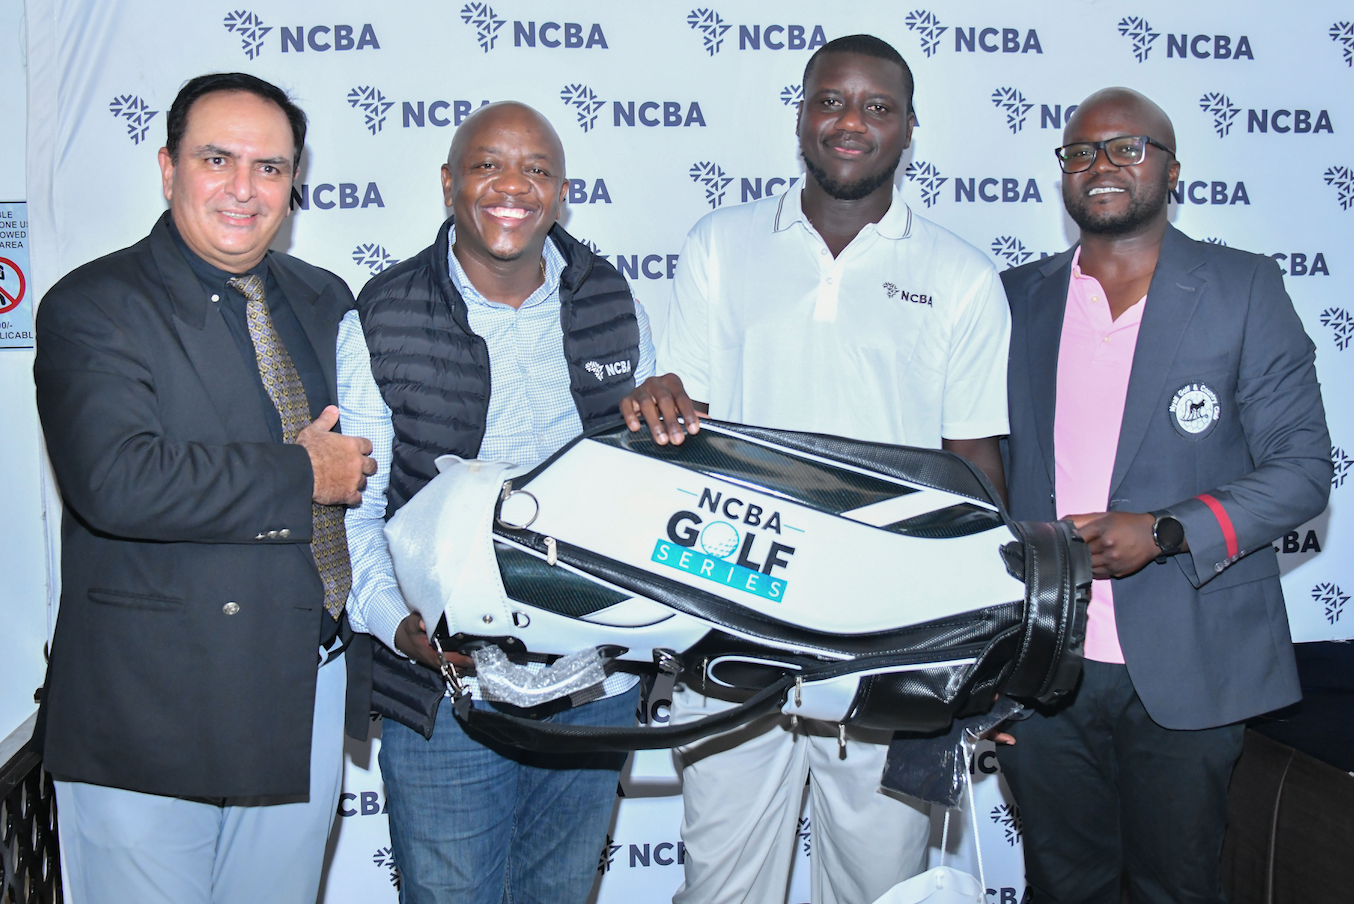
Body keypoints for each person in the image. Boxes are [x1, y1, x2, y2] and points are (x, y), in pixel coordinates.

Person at [621, 35, 1012, 904]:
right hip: (733, 627)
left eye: (879, 107)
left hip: (894, 648)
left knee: (880, 891)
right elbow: (691, 425)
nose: (851, 123)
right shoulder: (720, 243)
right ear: (801, 113)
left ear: (910, 129)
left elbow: (977, 474)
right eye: (831, 100)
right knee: (721, 889)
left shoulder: (961, 276)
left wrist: (982, 649)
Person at [33, 72, 376, 904]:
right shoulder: (95, 304)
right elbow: (116, 481)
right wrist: (302, 472)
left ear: (295, 183)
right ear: (167, 167)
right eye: (217, 158)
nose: (243, 188)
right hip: (154, 702)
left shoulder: (325, 297)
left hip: (305, 681)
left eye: (270, 168)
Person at [996, 87, 1332, 903]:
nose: (1101, 165)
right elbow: (979, 467)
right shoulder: (1014, 298)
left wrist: (1168, 529)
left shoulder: (1243, 288)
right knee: (1061, 887)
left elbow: (1302, 470)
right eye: (1080, 153)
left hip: (1193, 657)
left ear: (1172, 170)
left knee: (1175, 888)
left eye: (1126, 148)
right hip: (1044, 657)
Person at [338, 101, 656, 904]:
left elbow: (641, 488)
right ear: (449, 184)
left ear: (561, 192)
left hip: (597, 689)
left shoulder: (612, 301)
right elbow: (358, 508)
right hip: (448, 692)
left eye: (536, 170)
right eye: (487, 165)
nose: (512, 186)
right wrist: (394, 626)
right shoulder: (383, 314)